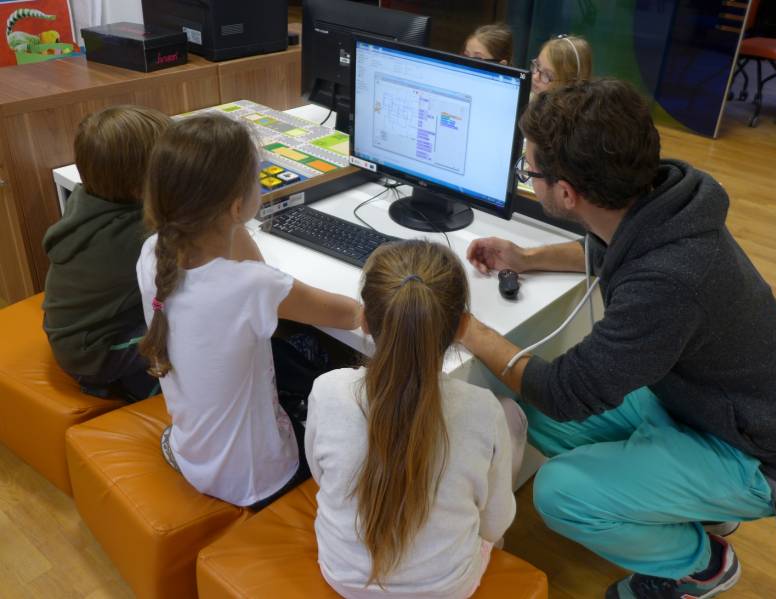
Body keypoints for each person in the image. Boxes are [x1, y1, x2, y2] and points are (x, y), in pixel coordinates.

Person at [463, 78, 776, 598]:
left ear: (567, 193)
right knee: (531, 417)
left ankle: (702, 566)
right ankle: (695, 505)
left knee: (558, 492)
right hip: (710, 403)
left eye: (529, 172)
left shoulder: (670, 280)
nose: (527, 178)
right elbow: (614, 249)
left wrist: (464, 326)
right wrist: (527, 258)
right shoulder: (666, 202)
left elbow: (564, 392)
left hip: (760, 453)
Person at [136, 114, 362, 509]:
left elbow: (252, 271)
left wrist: (231, 220)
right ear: (237, 205)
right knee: (344, 393)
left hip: (190, 454)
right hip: (258, 478)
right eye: (257, 177)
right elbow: (352, 315)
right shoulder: (253, 288)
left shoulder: (152, 253)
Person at [305, 240, 528, 598]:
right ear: (462, 327)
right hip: (447, 588)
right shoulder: (484, 411)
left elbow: (320, 476)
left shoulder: (327, 389)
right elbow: (495, 523)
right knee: (511, 416)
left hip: (342, 576)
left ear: (364, 320)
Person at [43, 105, 171, 402]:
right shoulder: (135, 237)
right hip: (95, 353)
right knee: (186, 326)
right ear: (140, 187)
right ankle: (140, 389)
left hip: (73, 333)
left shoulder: (86, 198)